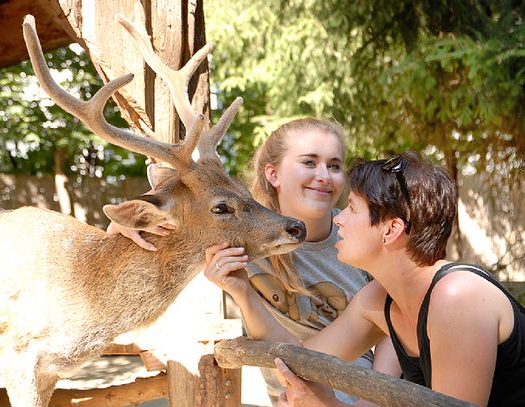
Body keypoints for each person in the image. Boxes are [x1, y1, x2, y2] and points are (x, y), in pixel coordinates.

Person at [107, 118, 400, 405]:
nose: (324, 175)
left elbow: (395, 323)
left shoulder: (360, 235)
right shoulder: (239, 234)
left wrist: (373, 401)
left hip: (362, 394)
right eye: (309, 163)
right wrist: (121, 224)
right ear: (273, 174)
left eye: (334, 165)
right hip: (289, 396)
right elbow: (192, 208)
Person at [205, 151, 525, 407]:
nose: (339, 220)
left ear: (391, 230)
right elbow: (302, 357)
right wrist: (242, 292)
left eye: (353, 209)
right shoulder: (379, 299)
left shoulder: (458, 298)